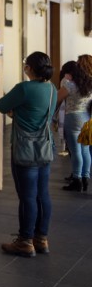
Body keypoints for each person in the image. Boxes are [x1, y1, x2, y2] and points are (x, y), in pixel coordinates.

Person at [0, 51, 57, 257]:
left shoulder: (24, 88)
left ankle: (25, 241)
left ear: (29, 68)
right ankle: (41, 239)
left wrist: (15, 112)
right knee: (43, 195)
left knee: (27, 196)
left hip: (24, 149)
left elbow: (1, 105)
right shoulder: (51, 89)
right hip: (44, 147)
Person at [55, 58, 92, 191]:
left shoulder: (68, 84)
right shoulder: (89, 84)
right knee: (85, 150)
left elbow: (57, 99)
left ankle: (76, 179)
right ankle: (85, 178)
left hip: (73, 117)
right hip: (87, 117)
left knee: (76, 151)